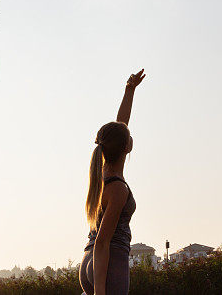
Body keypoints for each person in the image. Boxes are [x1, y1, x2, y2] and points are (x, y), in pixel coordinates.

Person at [79, 70, 146, 295]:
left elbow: (121, 125)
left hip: (89, 261)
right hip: (109, 263)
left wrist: (130, 90)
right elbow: (103, 242)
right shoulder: (118, 189)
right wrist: (99, 291)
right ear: (126, 147)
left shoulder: (103, 173)